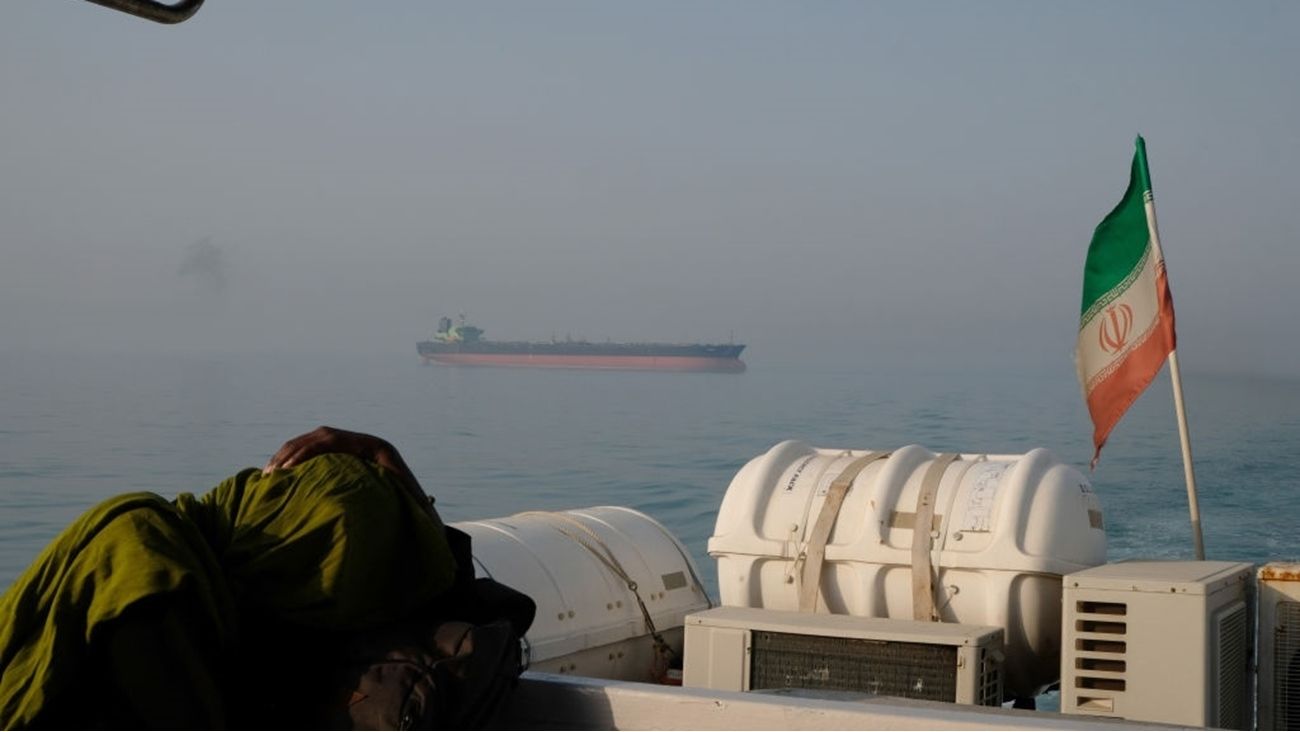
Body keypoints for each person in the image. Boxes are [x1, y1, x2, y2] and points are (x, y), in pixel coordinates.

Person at [0, 426, 493, 729]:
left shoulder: (182, 531)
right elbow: (446, 583)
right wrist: (381, 452)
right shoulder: (158, 594)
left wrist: (379, 450)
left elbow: (439, 575)